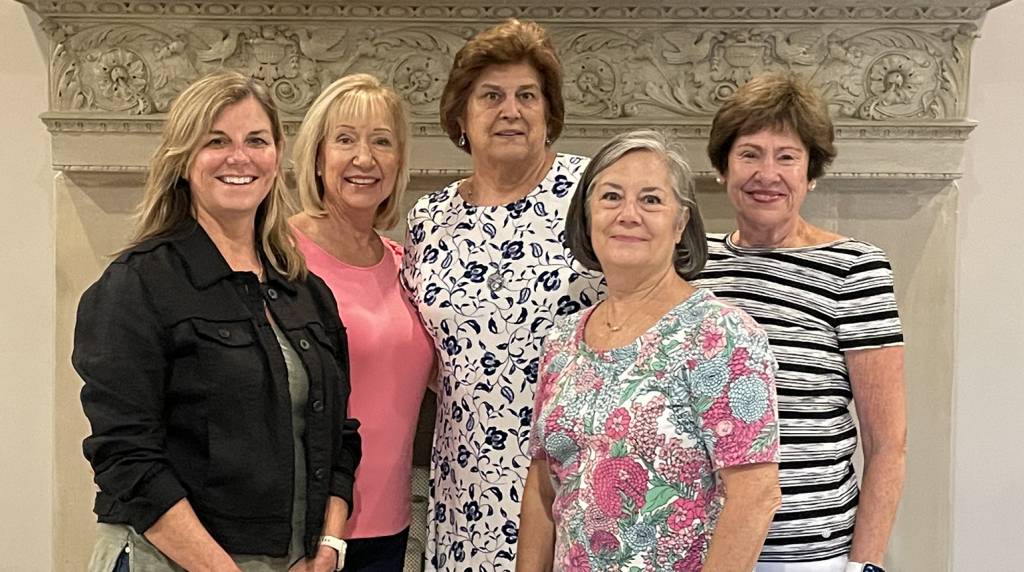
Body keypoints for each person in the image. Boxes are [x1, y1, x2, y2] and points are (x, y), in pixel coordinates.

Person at [74, 70, 361, 572]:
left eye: (256, 140)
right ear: (183, 160)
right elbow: (127, 459)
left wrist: (327, 549)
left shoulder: (307, 293)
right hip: (164, 559)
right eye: (216, 141)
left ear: (277, 155)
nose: (239, 157)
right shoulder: (137, 285)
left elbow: (340, 438)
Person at [517, 129, 782, 572]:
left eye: (652, 200)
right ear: (586, 217)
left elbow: (755, 495)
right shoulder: (562, 341)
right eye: (611, 197)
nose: (628, 215)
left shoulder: (721, 334)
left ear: (681, 224)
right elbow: (543, 488)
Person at [401, 19, 604, 571]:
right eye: (490, 96)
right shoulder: (429, 217)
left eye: (526, 96)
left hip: (577, 483)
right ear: (462, 116)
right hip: (464, 484)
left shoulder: (593, 195)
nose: (509, 110)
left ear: (548, 113)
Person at [693, 72, 906, 572]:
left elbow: (887, 442)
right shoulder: (693, 267)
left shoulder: (855, 268)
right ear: (723, 168)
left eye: (786, 156)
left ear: (811, 172)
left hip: (811, 558)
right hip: (702, 552)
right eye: (749, 153)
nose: (767, 173)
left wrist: (864, 565)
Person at [289, 73, 434, 571]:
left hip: (389, 527)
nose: (364, 158)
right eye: (345, 139)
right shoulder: (280, 257)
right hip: (303, 531)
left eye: (381, 142)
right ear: (317, 156)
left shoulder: (406, 267)